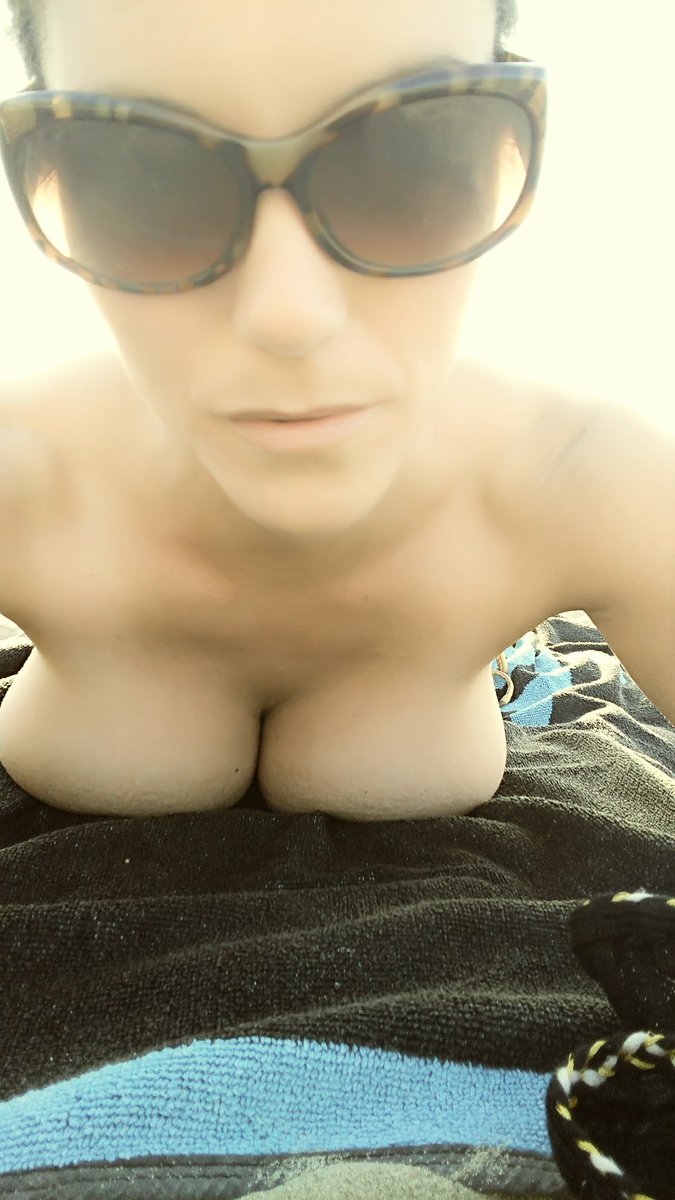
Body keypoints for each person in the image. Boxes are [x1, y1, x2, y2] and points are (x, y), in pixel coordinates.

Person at [0, 0, 672, 823]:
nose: (289, 314)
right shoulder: (20, 474)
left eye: (412, 152)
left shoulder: (589, 483)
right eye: (142, 173)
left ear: (506, 152)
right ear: (48, 181)